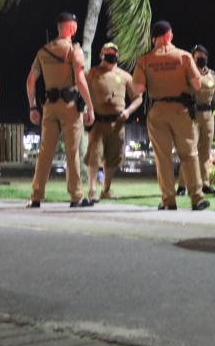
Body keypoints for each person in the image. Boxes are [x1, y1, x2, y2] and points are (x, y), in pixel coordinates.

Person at [132, 20, 210, 211]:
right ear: (169, 36)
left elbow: (138, 88)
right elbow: (197, 85)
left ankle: (169, 200)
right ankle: (197, 198)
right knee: (189, 154)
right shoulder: (183, 57)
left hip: (157, 111)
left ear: (154, 39)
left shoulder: (145, 60)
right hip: (181, 111)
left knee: (162, 157)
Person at [25, 12, 95, 208]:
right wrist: (90, 106)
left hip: (49, 106)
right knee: (72, 152)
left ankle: (36, 196)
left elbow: (31, 81)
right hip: (70, 106)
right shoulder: (74, 50)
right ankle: (76, 197)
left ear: (58, 27)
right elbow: (80, 80)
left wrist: (32, 106)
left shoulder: (44, 51)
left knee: (45, 152)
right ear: (72, 28)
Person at [83, 42, 142, 203]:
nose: (111, 55)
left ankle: (106, 190)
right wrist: (85, 111)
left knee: (112, 159)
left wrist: (128, 111)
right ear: (101, 54)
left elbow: (138, 97)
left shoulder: (124, 76)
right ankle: (92, 190)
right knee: (95, 157)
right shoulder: (92, 74)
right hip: (98, 123)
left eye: (114, 53)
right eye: (107, 52)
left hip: (117, 125)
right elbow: (79, 91)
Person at [177, 44, 215, 197]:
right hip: (192, 115)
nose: (201, 57)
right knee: (190, 151)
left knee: (205, 152)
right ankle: (182, 185)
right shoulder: (188, 73)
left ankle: (205, 184)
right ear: (193, 57)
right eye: (198, 55)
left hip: (208, 116)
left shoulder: (212, 74)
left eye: (203, 55)